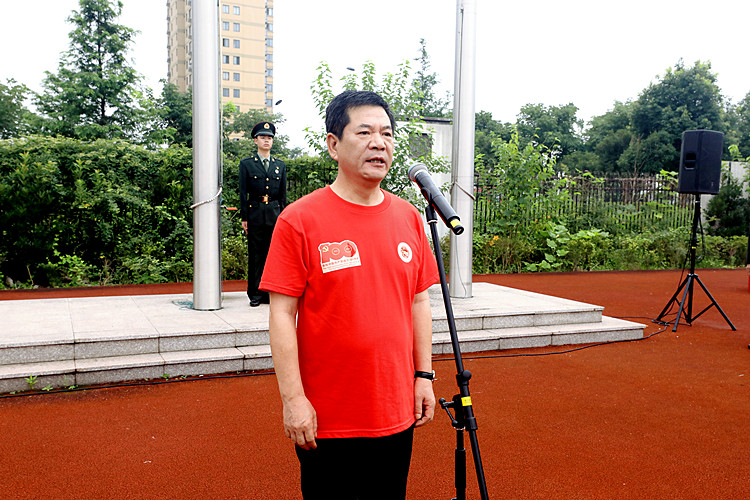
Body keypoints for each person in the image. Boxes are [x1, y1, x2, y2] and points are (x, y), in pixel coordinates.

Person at [260, 90, 439, 499]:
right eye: (365, 132)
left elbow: (419, 301)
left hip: (395, 410)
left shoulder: (409, 217)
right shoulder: (299, 220)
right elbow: (281, 314)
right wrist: (293, 400)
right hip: (328, 417)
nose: (379, 143)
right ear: (333, 144)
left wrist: (424, 376)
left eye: (387, 134)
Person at [239, 121, 287, 307]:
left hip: (274, 214)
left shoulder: (279, 165)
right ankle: (255, 293)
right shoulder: (247, 164)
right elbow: (243, 193)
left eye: (269, 138)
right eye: (263, 137)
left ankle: (269, 292)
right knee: (256, 255)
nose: (266, 140)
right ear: (255, 140)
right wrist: (244, 217)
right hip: (255, 213)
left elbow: (282, 195)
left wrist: (283, 217)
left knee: (273, 255)